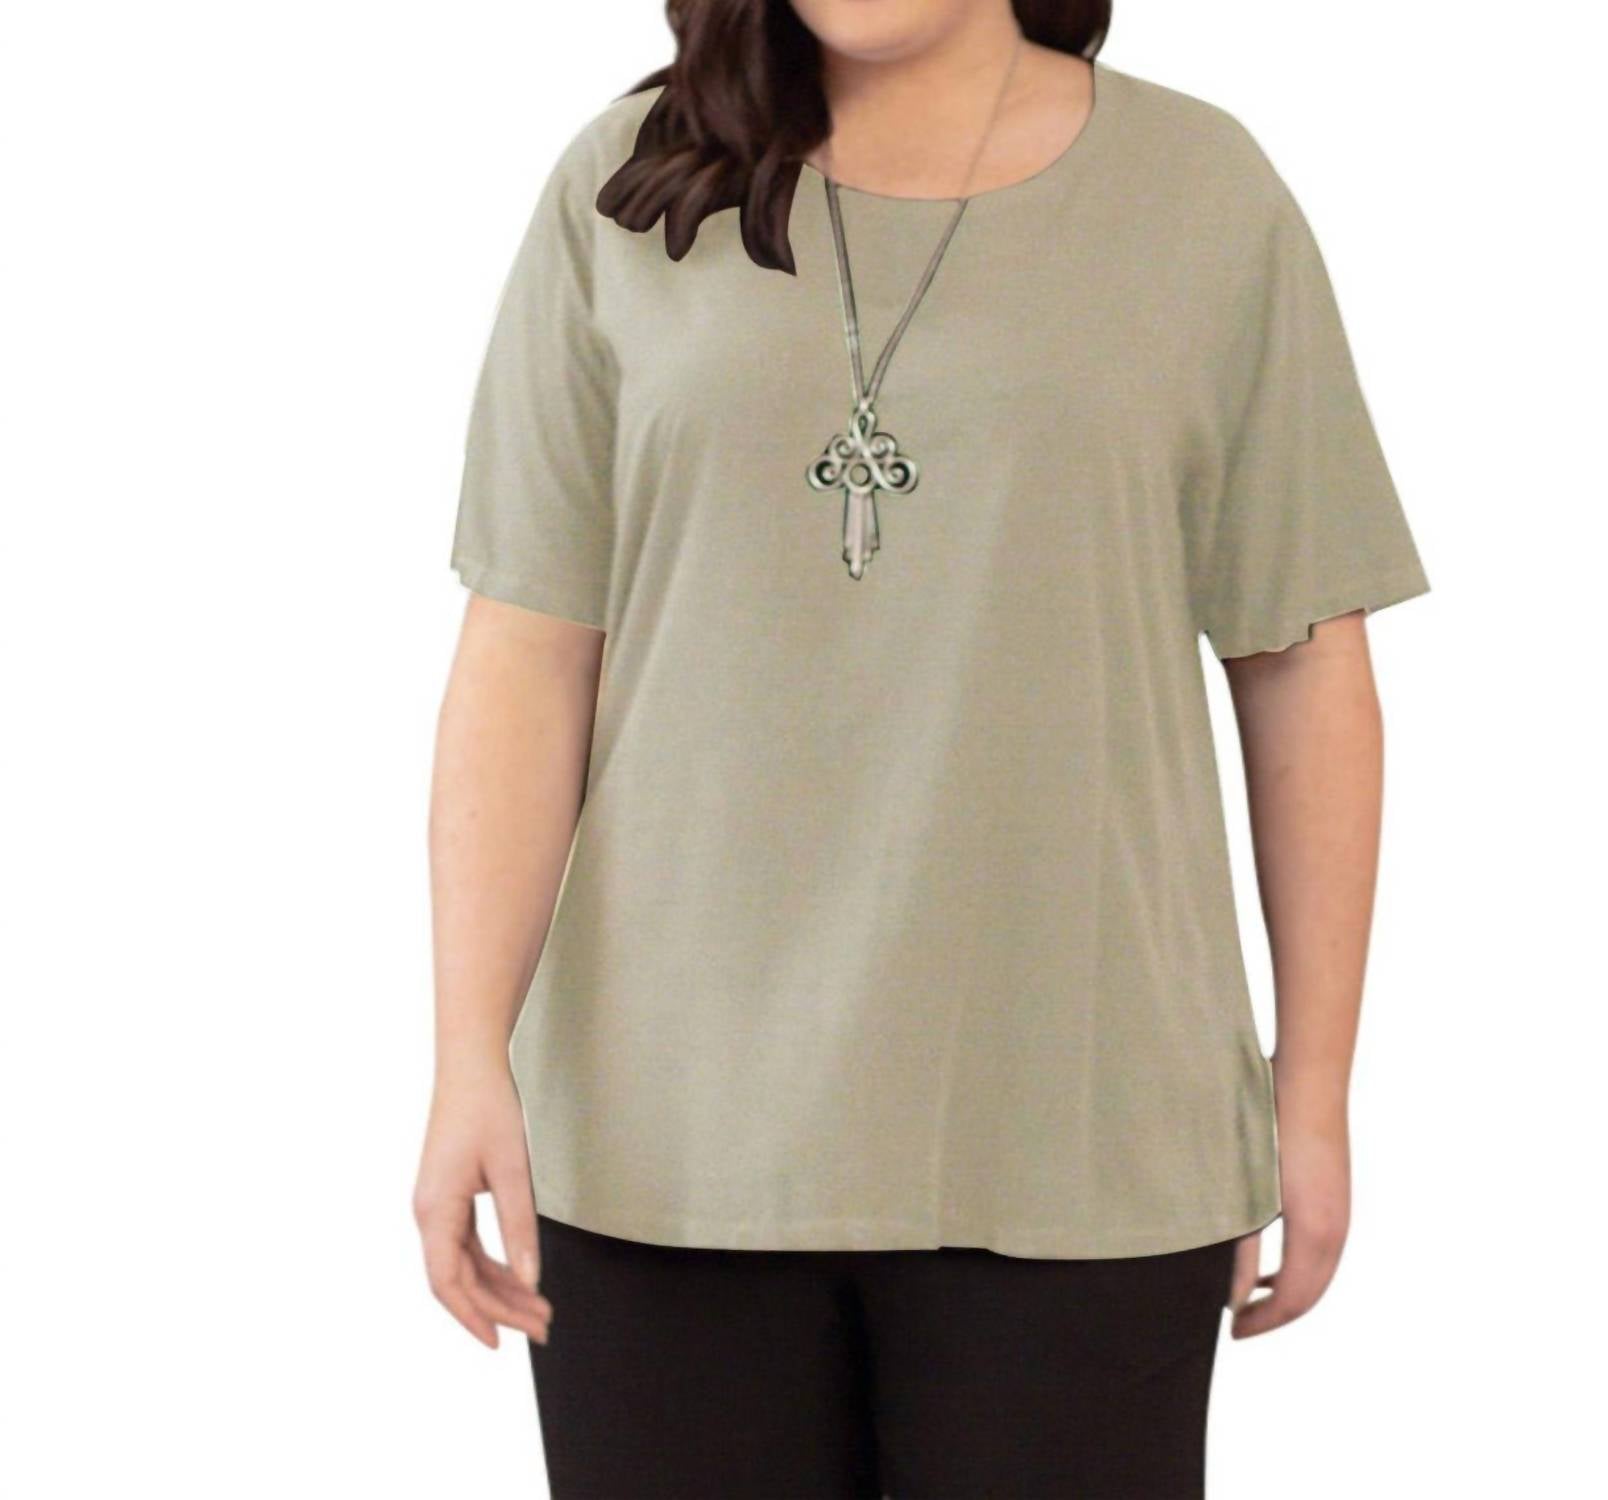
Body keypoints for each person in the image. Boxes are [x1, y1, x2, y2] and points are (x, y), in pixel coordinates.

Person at [414, 0, 1429, 1493]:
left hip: (1086, 1127)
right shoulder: (628, 183)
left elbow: (1303, 659)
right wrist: (466, 1055)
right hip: (663, 1140)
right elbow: (528, 646)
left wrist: (1317, 1084)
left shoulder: (1204, 195)